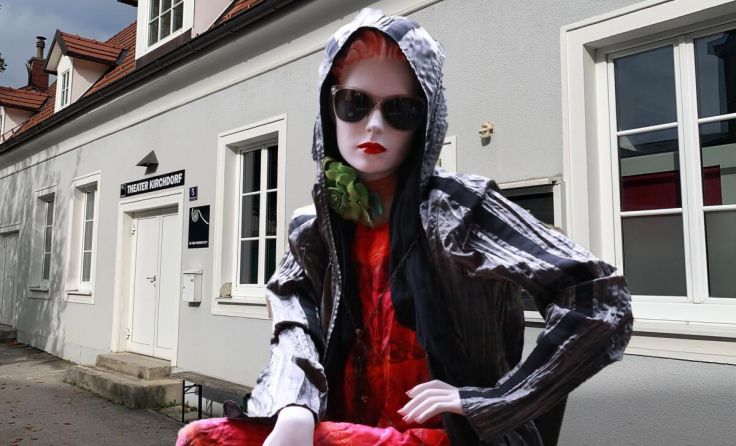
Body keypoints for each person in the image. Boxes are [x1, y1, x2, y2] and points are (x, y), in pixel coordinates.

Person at [177, 8, 633, 446]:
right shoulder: (313, 229)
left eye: (401, 110)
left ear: (425, 122)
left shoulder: (460, 208)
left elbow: (598, 296)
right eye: (354, 103)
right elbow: (295, 324)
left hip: (446, 437)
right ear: (329, 107)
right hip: (347, 428)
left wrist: (493, 400)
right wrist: (294, 406)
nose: (374, 125)